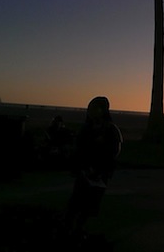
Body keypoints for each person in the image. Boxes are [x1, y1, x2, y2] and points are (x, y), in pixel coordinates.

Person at [64, 96, 122, 238]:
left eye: (95, 108)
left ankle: (79, 228)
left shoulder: (110, 129)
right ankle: (68, 229)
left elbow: (113, 151)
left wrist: (101, 169)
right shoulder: (86, 128)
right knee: (76, 201)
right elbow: (79, 148)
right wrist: (79, 166)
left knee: (90, 204)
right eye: (90, 108)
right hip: (84, 171)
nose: (91, 111)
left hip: (99, 173)